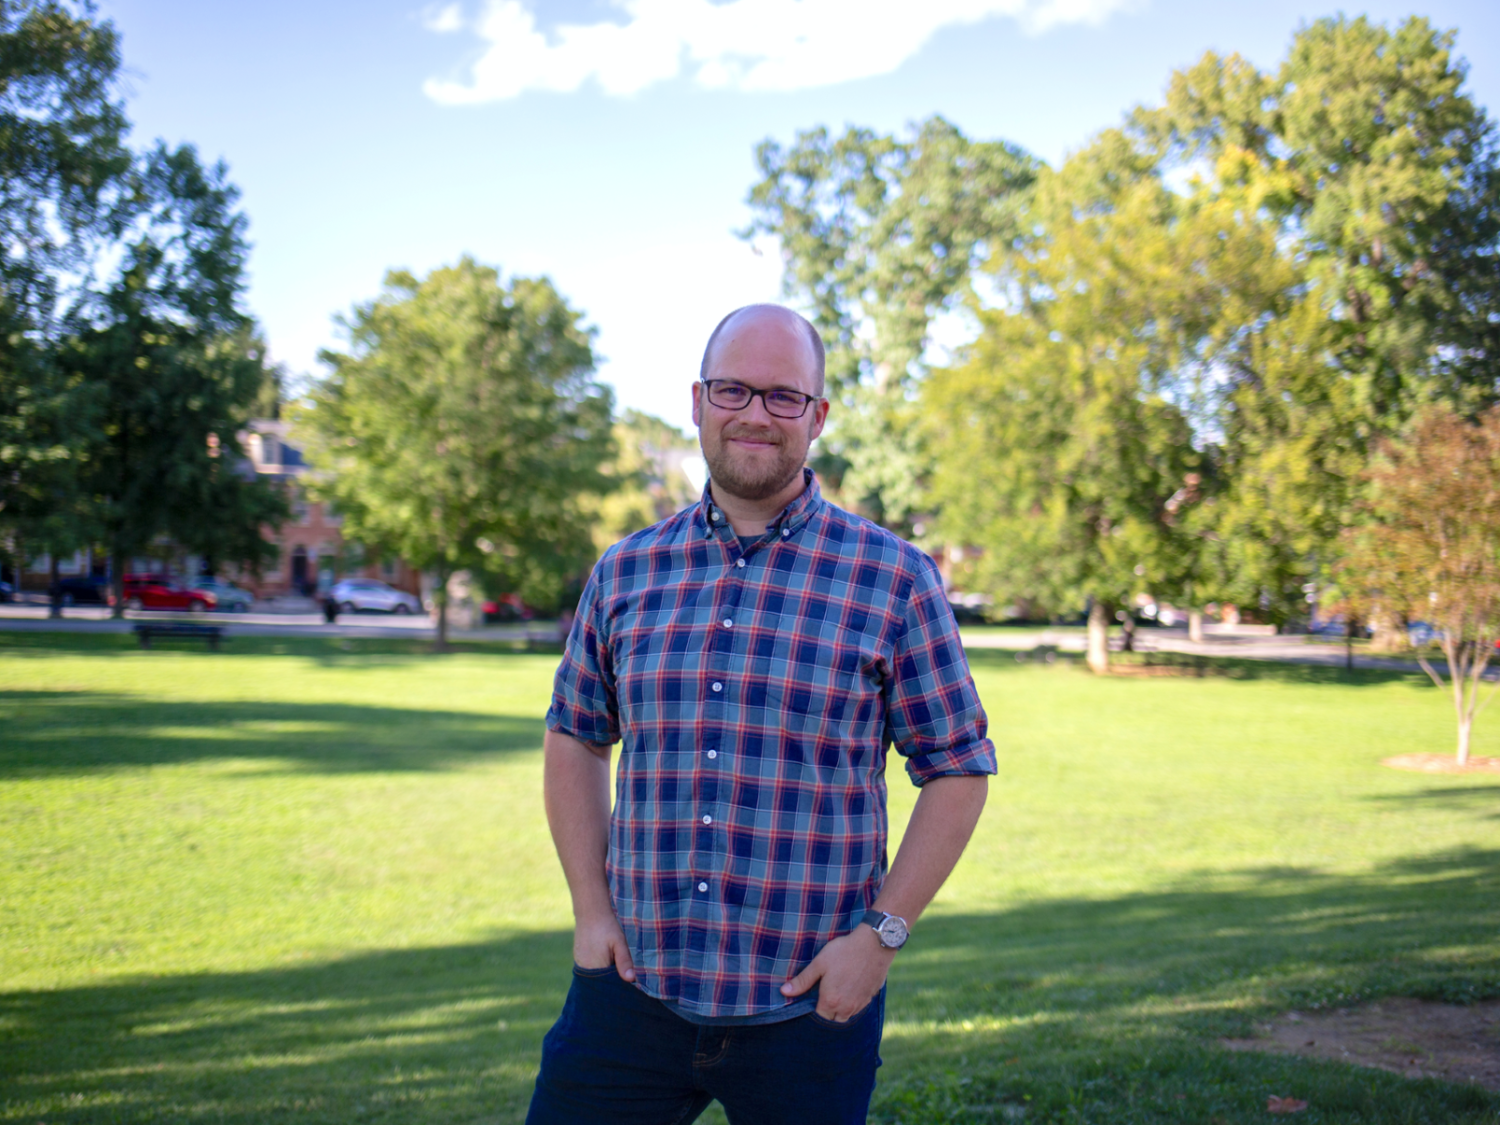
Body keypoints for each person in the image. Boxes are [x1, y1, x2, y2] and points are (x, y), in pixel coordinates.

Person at [529, 304, 996, 1124]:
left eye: (783, 396)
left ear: (817, 415)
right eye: (733, 389)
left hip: (810, 1009)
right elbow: (575, 735)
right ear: (698, 402)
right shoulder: (626, 571)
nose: (753, 413)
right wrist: (589, 909)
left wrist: (879, 939)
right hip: (631, 995)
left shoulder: (895, 578)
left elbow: (958, 768)